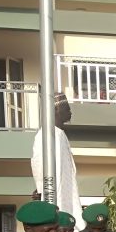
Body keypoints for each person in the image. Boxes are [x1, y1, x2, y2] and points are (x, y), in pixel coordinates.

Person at [30, 92, 81, 222]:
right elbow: (39, 166)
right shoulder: (46, 134)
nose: (70, 111)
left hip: (68, 200)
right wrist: (42, 189)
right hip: (54, 200)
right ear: (56, 109)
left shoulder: (60, 134)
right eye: (67, 108)